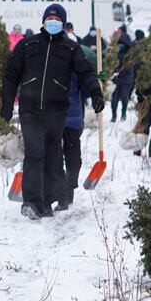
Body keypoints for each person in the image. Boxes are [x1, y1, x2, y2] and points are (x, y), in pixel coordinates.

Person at [0, 4, 104, 220]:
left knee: (51, 154)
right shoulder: (27, 45)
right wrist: (7, 104)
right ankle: (32, 202)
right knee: (34, 153)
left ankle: (47, 201)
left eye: (57, 19)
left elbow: (86, 73)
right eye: (50, 18)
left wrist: (96, 93)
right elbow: (11, 75)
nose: (53, 21)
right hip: (30, 109)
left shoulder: (71, 49)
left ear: (63, 23)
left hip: (56, 111)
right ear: (44, 20)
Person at [56, 46, 93, 211]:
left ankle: (69, 189)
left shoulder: (77, 69)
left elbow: (86, 90)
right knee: (55, 161)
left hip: (72, 120)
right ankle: (61, 197)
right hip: (53, 121)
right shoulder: (49, 68)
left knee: (73, 160)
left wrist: (94, 81)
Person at [111, 27, 134, 122]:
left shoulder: (129, 55)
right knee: (114, 98)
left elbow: (129, 68)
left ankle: (123, 112)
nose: (120, 46)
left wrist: (120, 71)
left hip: (125, 79)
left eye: (122, 44)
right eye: (119, 44)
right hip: (116, 80)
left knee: (124, 97)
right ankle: (114, 114)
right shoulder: (114, 54)